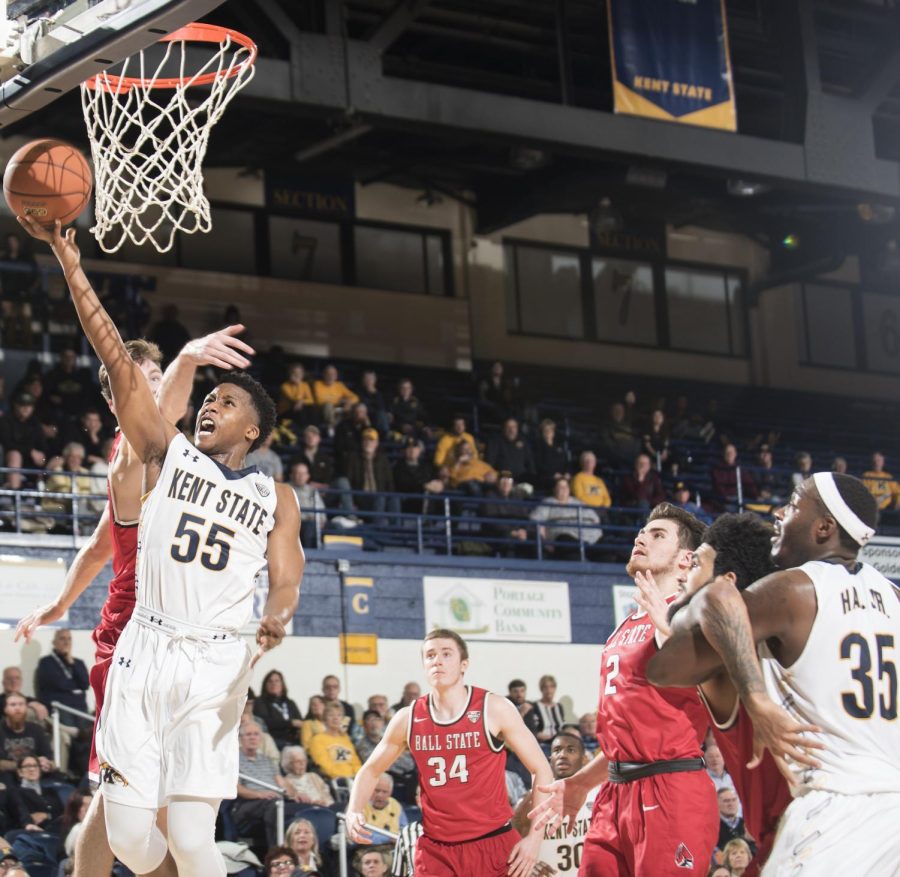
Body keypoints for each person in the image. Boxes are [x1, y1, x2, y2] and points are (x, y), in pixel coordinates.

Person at [19, 215, 304, 877]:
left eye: (226, 401)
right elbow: (119, 361)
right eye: (207, 397)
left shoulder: (275, 495)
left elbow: (286, 579)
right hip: (142, 649)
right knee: (129, 837)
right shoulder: (164, 454)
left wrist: (279, 617)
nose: (210, 405)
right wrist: (70, 263)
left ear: (253, 428)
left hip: (214, 659)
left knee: (196, 839)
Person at [16, 329, 253, 877]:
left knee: (166, 796)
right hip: (134, 629)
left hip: (185, 633)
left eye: (160, 376)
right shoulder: (134, 447)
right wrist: (190, 358)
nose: (156, 389)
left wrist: (58, 602)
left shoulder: (179, 460)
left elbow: (100, 544)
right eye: (146, 380)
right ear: (120, 397)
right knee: (122, 786)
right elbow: (159, 408)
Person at [648, 473, 900, 875]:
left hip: (834, 812)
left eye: (795, 503)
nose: (780, 512)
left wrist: (756, 696)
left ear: (824, 527)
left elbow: (668, 662)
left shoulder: (794, 589)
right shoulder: (892, 595)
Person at [530, 504, 716, 876]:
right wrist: (582, 782)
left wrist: (671, 630)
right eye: (642, 532)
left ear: (686, 560)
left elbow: (717, 681)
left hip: (670, 788)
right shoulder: (626, 625)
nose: (641, 537)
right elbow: (623, 740)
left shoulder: (695, 613)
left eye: (658, 534)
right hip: (615, 791)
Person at [636, 512, 787, 875]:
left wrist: (671, 624)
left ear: (728, 579)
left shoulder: (715, 656)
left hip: (800, 832)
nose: (686, 571)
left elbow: (664, 668)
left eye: (698, 562)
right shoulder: (787, 638)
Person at [345, 629, 553, 877]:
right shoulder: (408, 718)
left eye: (446, 654)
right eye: (430, 655)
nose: (437, 660)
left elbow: (541, 769)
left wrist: (534, 838)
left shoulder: (494, 708)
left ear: (464, 664)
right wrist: (354, 808)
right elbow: (370, 770)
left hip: (492, 842)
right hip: (436, 850)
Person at [512, 732, 595, 876]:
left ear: (584, 759)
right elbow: (509, 846)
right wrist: (529, 865)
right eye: (557, 750)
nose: (562, 755)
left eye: (571, 750)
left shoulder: (599, 794)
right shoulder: (531, 800)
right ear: (550, 759)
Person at [35, 628, 90, 775]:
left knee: (87, 736)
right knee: (77, 735)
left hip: (79, 708)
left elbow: (85, 684)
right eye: (62, 638)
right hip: (60, 708)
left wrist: (70, 662)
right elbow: (57, 683)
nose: (66, 642)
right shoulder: (46, 662)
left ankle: (84, 774)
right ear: (54, 642)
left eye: (69, 639)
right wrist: (74, 688)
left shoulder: (78, 663)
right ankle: (76, 773)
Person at [308, 704, 361, 780]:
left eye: (339, 715)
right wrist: (343, 777)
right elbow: (324, 765)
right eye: (331, 715)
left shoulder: (345, 738)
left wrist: (358, 775)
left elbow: (355, 762)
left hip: (353, 778)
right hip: (335, 779)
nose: (335, 718)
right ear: (324, 720)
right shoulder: (317, 739)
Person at [254, 670, 303, 750]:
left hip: (294, 741)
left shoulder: (290, 703)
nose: (274, 684)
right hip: (274, 741)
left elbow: (300, 721)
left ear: (282, 684)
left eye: (277, 681)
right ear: (265, 685)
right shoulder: (260, 702)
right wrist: (290, 723)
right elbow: (265, 722)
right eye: (270, 681)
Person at [531, 676, 565, 748]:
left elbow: (562, 726)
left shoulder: (559, 707)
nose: (549, 690)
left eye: (552, 687)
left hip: (559, 743)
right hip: (543, 744)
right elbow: (532, 729)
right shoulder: (535, 706)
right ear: (541, 689)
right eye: (545, 687)